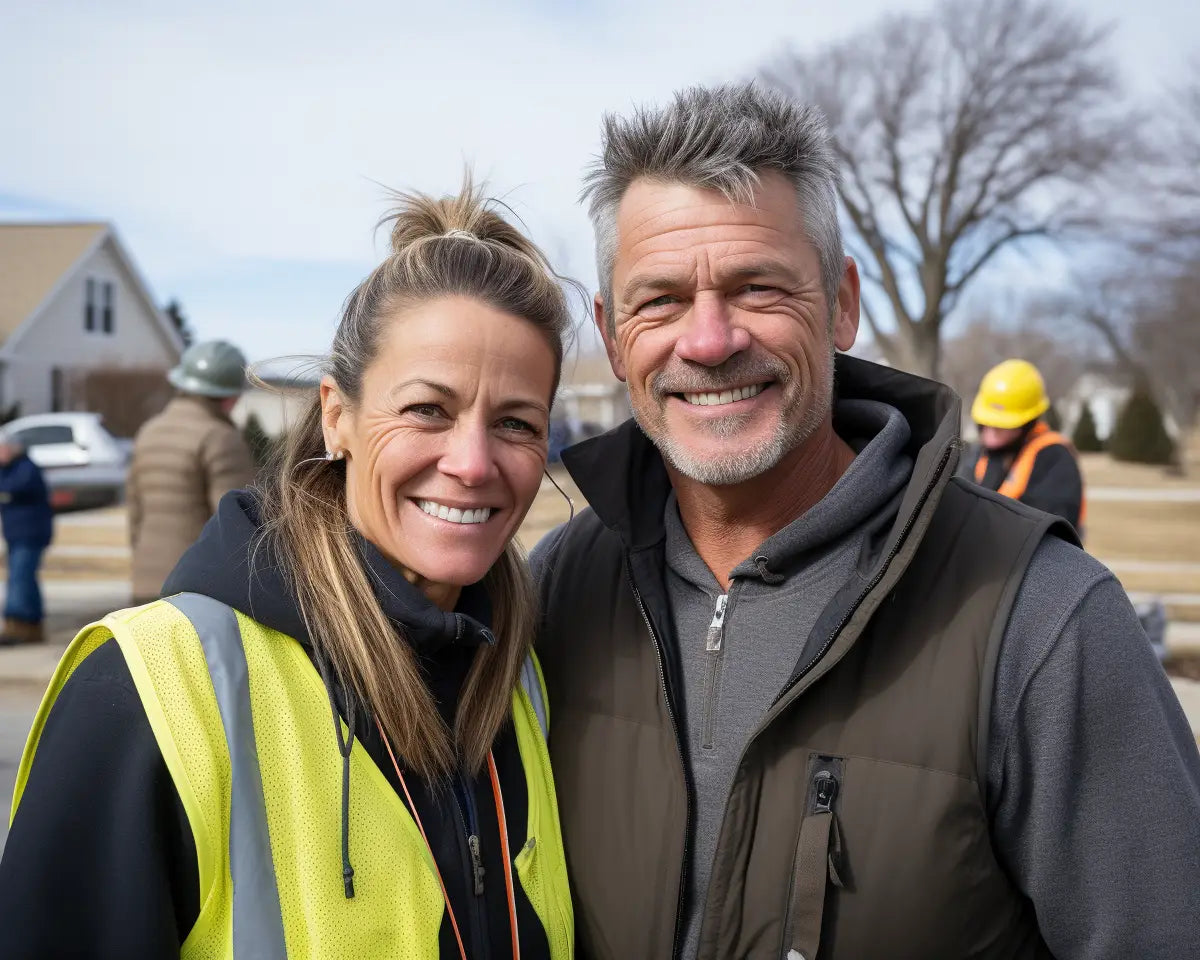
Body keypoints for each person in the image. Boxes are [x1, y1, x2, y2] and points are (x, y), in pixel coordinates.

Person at [533, 83, 1200, 960]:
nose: (708, 340)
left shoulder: (1041, 621)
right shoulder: (555, 590)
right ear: (613, 336)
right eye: (659, 300)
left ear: (842, 303)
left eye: (757, 286)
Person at [1, 182, 575, 959]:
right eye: (426, 410)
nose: (473, 464)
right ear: (337, 416)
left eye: (515, 422)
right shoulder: (149, 690)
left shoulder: (522, 675)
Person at [127, 338, 257, 603]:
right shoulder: (219, 437)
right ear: (231, 396)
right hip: (195, 588)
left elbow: (134, 511)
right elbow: (236, 523)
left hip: (144, 581)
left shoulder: (148, 432)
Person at [969, 358, 1086, 533]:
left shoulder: (1054, 456)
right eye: (986, 421)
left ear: (1028, 423)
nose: (991, 430)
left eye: (1002, 424)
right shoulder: (980, 454)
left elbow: (1050, 530)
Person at [0, 437, 52, 646]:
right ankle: (33, 626)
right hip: (16, 535)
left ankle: (17, 624)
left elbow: (15, 488)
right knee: (25, 578)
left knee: (20, 578)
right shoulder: (10, 470)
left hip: (30, 534)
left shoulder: (26, 469)